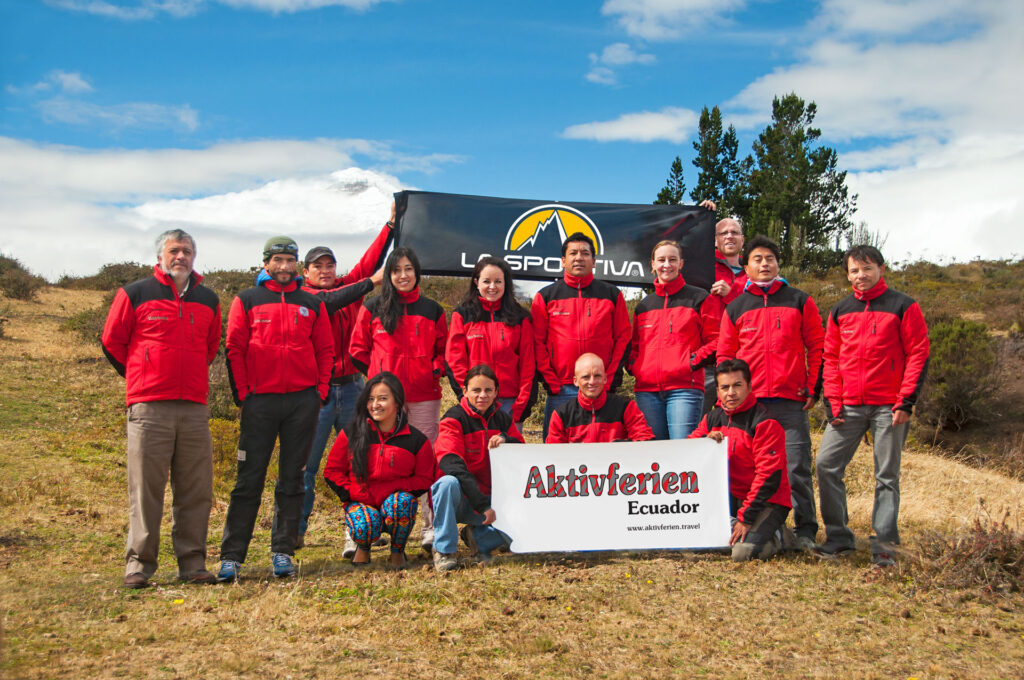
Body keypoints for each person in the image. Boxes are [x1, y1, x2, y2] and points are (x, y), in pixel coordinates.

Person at [101, 229, 221, 588]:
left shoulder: (208, 299)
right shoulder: (135, 293)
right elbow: (112, 340)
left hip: (194, 408)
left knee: (196, 489)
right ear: (160, 256)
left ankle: (193, 563)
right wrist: (141, 375)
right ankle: (138, 566)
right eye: (174, 251)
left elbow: (211, 347)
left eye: (186, 251)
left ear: (194, 257)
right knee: (146, 490)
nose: (180, 257)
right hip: (149, 408)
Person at [217, 236, 335, 582]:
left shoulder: (311, 303)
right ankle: (231, 557)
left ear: (297, 264)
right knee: (248, 481)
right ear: (266, 263)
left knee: (293, 479)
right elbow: (234, 347)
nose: (284, 267)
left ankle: (282, 552)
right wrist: (244, 395)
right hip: (261, 402)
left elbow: (325, 349)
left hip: (302, 401)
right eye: (278, 260)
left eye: (290, 260)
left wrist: (320, 391)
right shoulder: (247, 299)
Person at [814, 246, 930, 567]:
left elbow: (918, 353)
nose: (860, 276)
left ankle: (884, 545)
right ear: (847, 274)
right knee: (826, 465)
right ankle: (839, 537)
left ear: (881, 268)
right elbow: (831, 359)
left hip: (889, 406)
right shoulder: (840, 310)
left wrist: (905, 401)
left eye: (866, 269)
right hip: (848, 406)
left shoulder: (904, 306)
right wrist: (833, 404)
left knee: (886, 475)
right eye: (853, 271)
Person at [717, 234, 824, 551]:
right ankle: (760, 527)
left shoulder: (799, 300)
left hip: (790, 400)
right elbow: (725, 356)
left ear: (779, 264)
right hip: (751, 407)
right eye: (757, 260)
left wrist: (813, 386)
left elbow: (817, 345)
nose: (764, 264)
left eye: (770, 259)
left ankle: (805, 531)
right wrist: (728, 397)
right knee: (751, 470)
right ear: (745, 266)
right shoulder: (736, 307)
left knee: (796, 468)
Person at [298, 210, 393, 552]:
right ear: (305, 272)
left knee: (361, 461)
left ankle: (357, 532)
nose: (325, 271)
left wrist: (391, 226)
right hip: (318, 392)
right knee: (306, 466)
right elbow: (351, 289)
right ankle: (296, 533)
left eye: (330, 265)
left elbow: (369, 263)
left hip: (352, 387)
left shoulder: (346, 287)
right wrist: (370, 283)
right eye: (317, 266)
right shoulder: (304, 298)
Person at [349, 246, 447, 552]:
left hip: (423, 397)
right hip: (384, 401)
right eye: (396, 270)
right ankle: (363, 529)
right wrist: (377, 380)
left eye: (408, 269)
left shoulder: (433, 310)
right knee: (374, 459)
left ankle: (430, 529)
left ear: (417, 272)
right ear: (388, 275)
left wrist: (432, 370)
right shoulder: (373, 307)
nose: (403, 275)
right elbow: (357, 349)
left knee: (427, 460)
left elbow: (444, 351)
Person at [322, 372, 435, 569]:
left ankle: (397, 551)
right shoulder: (351, 433)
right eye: (371, 399)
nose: (375, 405)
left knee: (403, 503)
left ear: (397, 402)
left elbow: (424, 479)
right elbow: (332, 471)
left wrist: (393, 488)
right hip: (361, 502)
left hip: (394, 504)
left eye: (383, 399)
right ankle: (362, 549)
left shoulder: (417, 440)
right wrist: (353, 493)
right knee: (365, 522)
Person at [688, 359, 792, 562]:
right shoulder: (712, 418)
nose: (731, 393)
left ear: (749, 386)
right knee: (697, 546)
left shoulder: (765, 422)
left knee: (742, 554)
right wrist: (703, 442)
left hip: (767, 502)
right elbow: (688, 452)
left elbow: (768, 477)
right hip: (730, 499)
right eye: (724, 387)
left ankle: (781, 536)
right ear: (717, 390)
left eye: (737, 385)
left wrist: (746, 519)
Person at [532, 232, 630, 440]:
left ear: (593, 261)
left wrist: (609, 378)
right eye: (573, 253)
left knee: (603, 448)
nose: (579, 257)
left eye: (585, 253)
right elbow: (537, 342)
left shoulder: (612, 294)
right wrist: (551, 382)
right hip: (561, 389)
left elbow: (623, 338)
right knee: (555, 453)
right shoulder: (545, 296)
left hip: (600, 387)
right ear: (563, 260)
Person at [432, 365, 524, 572]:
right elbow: (451, 465)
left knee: (523, 537)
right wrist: (483, 506)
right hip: (463, 499)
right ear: (464, 391)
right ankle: (444, 549)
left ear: (496, 392)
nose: (482, 395)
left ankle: (477, 536)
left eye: (488, 390)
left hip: (493, 499)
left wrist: (507, 439)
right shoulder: (453, 419)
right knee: (447, 482)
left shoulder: (502, 419)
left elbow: (522, 454)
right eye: (476, 390)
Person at [629, 239, 721, 439]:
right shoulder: (644, 306)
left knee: (683, 454)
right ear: (652, 265)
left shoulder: (699, 298)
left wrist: (691, 363)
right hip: (647, 392)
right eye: (661, 260)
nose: (666, 265)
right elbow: (634, 347)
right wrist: (638, 368)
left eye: (672, 259)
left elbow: (717, 340)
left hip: (684, 390)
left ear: (681, 264)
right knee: (655, 457)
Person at [445, 256, 534, 428]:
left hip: (510, 404)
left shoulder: (520, 317)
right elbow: (454, 360)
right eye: (486, 281)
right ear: (476, 282)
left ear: (506, 284)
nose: (492, 287)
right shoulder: (462, 315)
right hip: (476, 401)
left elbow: (528, 364)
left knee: (509, 454)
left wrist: (521, 405)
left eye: (498, 281)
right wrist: (469, 396)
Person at [546, 354, 654, 443]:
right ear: (575, 381)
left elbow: (644, 438)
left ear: (605, 378)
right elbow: (553, 453)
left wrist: (623, 446)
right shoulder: (561, 414)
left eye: (597, 376)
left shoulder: (626, 407)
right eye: (585, 377)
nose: (592, 382)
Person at [703, 215, 748, 413]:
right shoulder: (702, 266)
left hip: (741, 360)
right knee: (697, 425)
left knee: (737, 422)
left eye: (734, 232)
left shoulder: (753, 273)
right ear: (714, 240)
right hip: (706, 361)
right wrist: (700, 214)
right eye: (723, 233)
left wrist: (732, 295)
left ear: (742, 239)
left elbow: (757, 312)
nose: (729, 237)